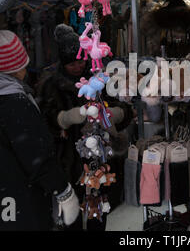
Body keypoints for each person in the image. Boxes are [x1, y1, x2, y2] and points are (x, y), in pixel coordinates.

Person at [0, 30, 79, 230]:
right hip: (17, 198)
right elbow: (37, 156)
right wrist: (64, 191)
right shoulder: (14, 103)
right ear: (16, 68)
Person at [36, 24, 133, 231]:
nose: (78, 66)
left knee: (98, 212)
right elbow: (44, 119)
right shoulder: (51, 84)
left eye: (81, 60)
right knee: (71, 215)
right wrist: (64, 118)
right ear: (63, 62)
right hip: (68, 160)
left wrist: (117, 114)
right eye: (72, 63)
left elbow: (123, 106)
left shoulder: (99, 77)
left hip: (99, 157)